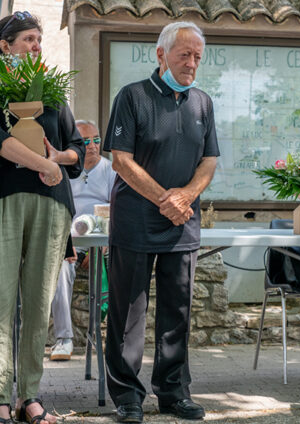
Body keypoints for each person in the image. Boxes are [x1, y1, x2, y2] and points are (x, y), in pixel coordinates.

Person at [103, 21, 219, 423]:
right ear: (161, 54)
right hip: (136, 221)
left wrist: (184, 197)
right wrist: (165, 199)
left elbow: (209, 160)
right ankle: (127, 397)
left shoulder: (202, 102)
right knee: (128, 314)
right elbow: (120, 158)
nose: (191, 64)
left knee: (177, 313)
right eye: (184, 54)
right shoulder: (132, 97)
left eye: (197, 57)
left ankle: (173, 393)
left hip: (182, 223)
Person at [0, 11, 84, 424]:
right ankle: (0, 398)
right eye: (30, 39)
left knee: (39, 303)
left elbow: (78, 149)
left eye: (39, 39)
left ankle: (30, 396)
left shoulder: (53, 93)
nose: (38, 46)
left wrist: (60, 159)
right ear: (5, 45)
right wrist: (46, 163)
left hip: (51, 204)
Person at [49, 119, 116, 361]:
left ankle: (113, 338)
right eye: (85, 141)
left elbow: (117, 207)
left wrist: (105, 242)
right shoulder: (65, 170)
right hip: (70, 241)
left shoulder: (110, 170)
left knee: (122, 269)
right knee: (61, 272)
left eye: (96, 140)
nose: (92, 146)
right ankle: (64, 339)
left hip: (103, 238)